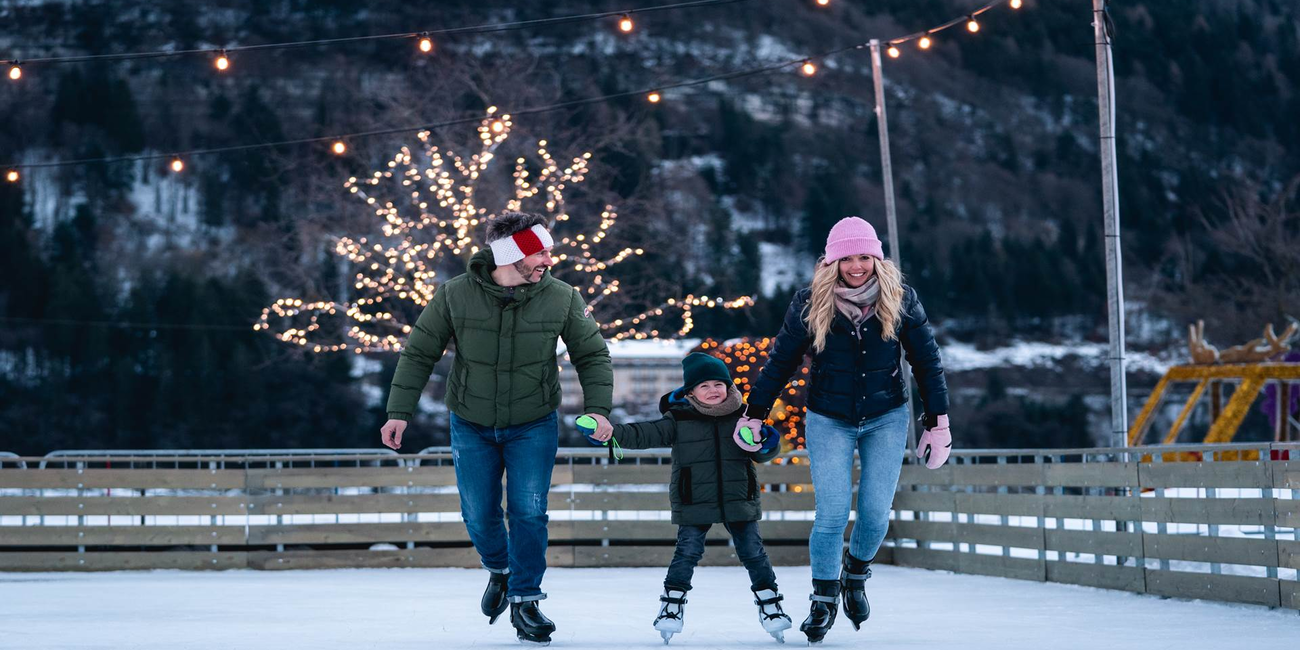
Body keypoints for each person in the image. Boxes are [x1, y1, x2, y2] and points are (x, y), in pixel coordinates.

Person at [379, 211, 614, 646]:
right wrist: (399, 411)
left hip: (534, 421)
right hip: (470, 420)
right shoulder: (454, 295)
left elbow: (593, 355)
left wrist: (599, 408)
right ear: (512, 254)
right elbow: (418, 353)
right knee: (478, 512)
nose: (548, 259)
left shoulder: (561, 297)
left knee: (528, 511)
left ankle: (526, 600)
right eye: (540, 251)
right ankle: (501, 571)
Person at [733, 216, 952, 644]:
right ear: (832, 261)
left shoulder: (901, 299)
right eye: (847, 258)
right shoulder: (809, 301)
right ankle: (823, 599)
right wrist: (754, 413)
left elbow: (927, 363)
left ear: (877, 258)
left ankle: (855, 573)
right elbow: (781, 361)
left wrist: (937, 421)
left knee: (873, 515)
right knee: (831, 515)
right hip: (828, 418)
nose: (856, 266)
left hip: (887, 418)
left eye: (864, 257)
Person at [589, 352, 791, 643]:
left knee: (753, 552)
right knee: (687, 553)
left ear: (729, 386)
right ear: (691, 392)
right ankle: (672, 606)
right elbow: (644, 433)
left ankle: (770, 604)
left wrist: (769, 442)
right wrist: (610, 434)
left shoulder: (745, 416)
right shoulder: (679, 419)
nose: (713, 391)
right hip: (694, 497)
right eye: (704, 386)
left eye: (718, 384)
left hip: (738, 496)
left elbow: (761, 451)